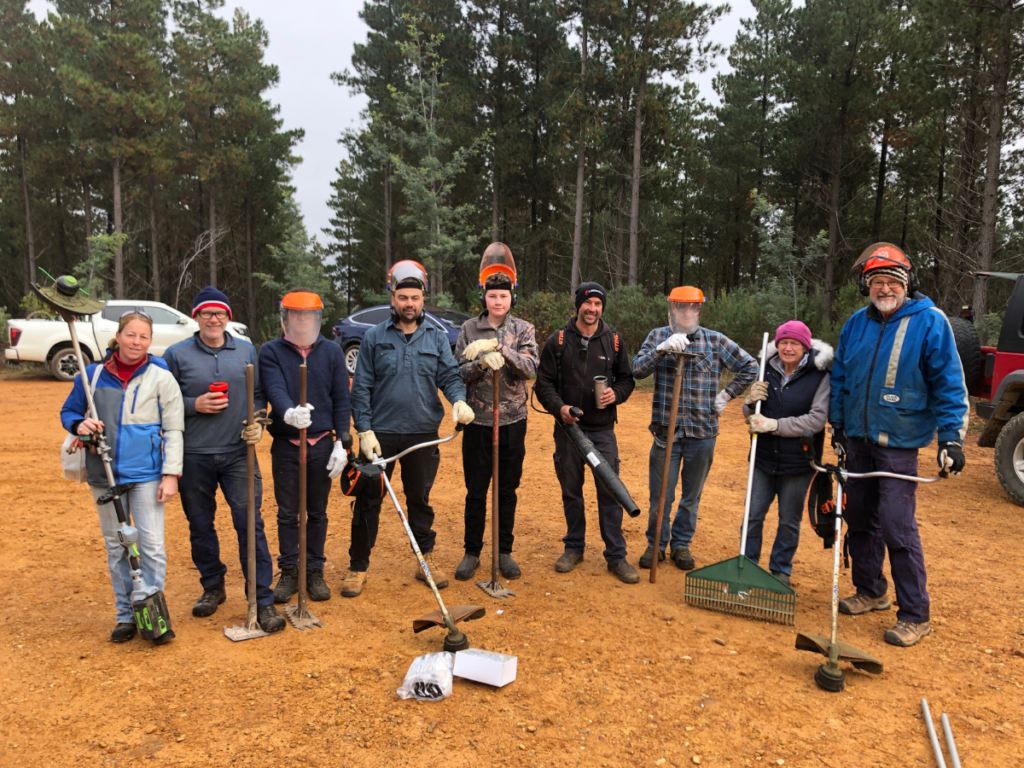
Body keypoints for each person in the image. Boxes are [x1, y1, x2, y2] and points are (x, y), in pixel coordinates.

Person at [829, 243, 968, 647]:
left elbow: (949, 383)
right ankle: (871, 590)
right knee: (858, 517)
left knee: (896, 525)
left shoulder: (930, 322)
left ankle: (914, 615)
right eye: (877, 281)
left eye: (893, 281)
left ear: (908, 284)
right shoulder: (856, 323)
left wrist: (951, 439)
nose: (885, 288)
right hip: (858, 440)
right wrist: (837, 425)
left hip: (899, 444)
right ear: (866, 286)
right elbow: (840, 377)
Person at [343, 261, 475, 597]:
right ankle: (358, 566)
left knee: (419, 499)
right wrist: (364, 430)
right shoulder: (373, 337)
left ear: (422, 300)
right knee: (369, 499)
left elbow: (449, 377)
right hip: (380, 435)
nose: (409, 303)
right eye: (403, 297)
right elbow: (361, 387)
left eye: (415, 298)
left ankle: (424, 559)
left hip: (422, 433)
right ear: (393, 299)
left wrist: (459, 400)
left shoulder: (436, 337)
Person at [163, 287, 284, 632]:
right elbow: (164, 399)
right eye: (206, 313)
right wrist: (194, 405)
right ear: (196, 317)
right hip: (194, 455)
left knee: (250, 524)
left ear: (228, 317)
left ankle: (261, 599)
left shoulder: (246, 350)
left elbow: (258, 394)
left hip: (238, 453)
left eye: (220, 313)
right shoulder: (176, 355)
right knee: (200, 524)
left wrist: (257, 420)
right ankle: (212, 585)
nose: (213, 319)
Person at [60, 311, 184, 643]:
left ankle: (153, 614)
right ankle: (127, 616)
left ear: (150, 341)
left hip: (146, 474)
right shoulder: (92, 375)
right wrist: (79, 424)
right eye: (131, 334)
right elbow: (69, 411)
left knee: (151, 546)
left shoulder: (161, 377)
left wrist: (171, 474)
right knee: (118, 547)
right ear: (118, 336)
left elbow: (174, 429)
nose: (136, 342)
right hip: (105, 473)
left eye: (143, 337)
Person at [630, 286, 758, 571]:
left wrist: (726, 395)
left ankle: (680, 545)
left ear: (699, 309)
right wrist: (661, 351)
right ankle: (656, 544)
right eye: (680, 306)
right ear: (672, 309)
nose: (686, 312)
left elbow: (751, 366)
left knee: (691, 497)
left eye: (692, 307)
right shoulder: (657, 336)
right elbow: (636, 370)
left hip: (702, 433)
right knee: (660, 495)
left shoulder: (715, 340)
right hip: (666, 433)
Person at [534, 282, 638, 583]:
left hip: (603, 430)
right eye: (587, 303)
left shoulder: (614, 341)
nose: (592, 309)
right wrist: (560, 408)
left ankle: (616, 556)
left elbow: (627, 379)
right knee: (571, 490)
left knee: (610, 491)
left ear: (602, 307)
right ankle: (574, 548)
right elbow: (543, 384)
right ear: (578, 305)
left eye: (597, 304)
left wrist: (616, 394)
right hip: (568, 430)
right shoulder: (558, 340)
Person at [453, 243, 539, 582]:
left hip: (512, 421)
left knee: (506, 490)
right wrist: (479, 364)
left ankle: (504, 551)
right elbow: (458, 372)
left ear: (511, 298)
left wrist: (501, 347)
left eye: (503, 296)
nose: (498, 301)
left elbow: (530, 369)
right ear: (484, 298)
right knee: (476, 490)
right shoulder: (468, 330)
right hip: (477, 422)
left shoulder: (524, 329)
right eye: (492, 296)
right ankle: (472, 552)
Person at [259, 289, 351, 604]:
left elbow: (341, 398)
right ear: (286, 317)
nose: (302, 318)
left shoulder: (332, 352)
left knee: (317, 511)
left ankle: (314, 570)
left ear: (316, 317)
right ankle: (289, 570)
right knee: (287, 512)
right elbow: (273, 387)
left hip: (321, 444)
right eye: (295, 313)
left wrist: (341, 441)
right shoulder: (271, 351)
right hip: (287, 444)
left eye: (307, 314)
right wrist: (288, 412)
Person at [740, 320, 832, 587]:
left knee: (789, 520)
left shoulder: (820, 376)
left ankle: (781, 569)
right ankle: (746, 565)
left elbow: (816, 420)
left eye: (794, 343)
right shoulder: (765, 370)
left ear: (805, 347)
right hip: (763, 459)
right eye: (783, 343)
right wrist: (749, 403)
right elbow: (751, 414)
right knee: (752, 515)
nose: (788, 348)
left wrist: (775, 425)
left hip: (799, 462)